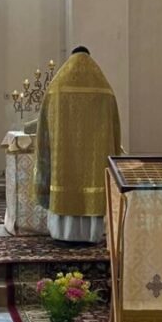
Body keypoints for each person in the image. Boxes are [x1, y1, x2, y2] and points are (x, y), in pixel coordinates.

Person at [34, 46, 123, 243]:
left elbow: (44, 126)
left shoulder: (57, 87)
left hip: (63, 158)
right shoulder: (104, 89)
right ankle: (91, 234)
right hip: (94, 161)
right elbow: (114, 127)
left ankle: (62, 233)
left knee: (64, 181)